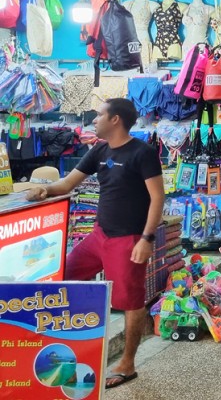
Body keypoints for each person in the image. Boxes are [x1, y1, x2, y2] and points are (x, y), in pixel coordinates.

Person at [25, 98, 164, 389]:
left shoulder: (143, 153)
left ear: (115, 120)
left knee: (130, 302)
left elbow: (157, 198)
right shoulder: (99, 149)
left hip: (127, 240)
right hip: (99, 235)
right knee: (63, 278)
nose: (94, 120)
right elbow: (66, 184)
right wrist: (43, 190)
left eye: (100, 115)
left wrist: (146, 239)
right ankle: (71, 345)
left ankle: (127, 363)